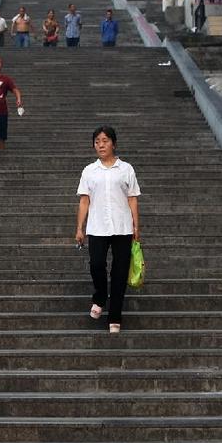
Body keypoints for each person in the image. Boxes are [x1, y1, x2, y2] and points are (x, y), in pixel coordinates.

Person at [75, 125, 141, 334]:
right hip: (97, 226)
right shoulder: (89, 171)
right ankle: (101, 296)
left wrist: (136, 225)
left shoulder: (126, 169)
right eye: (97, 141)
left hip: (122, 226)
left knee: (120, 273)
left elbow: (132, 199)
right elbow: (84, 201)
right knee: (96, 264)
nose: (101, 145)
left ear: (113, 143)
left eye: (105, 140)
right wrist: (79, 228)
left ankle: (115, 316)